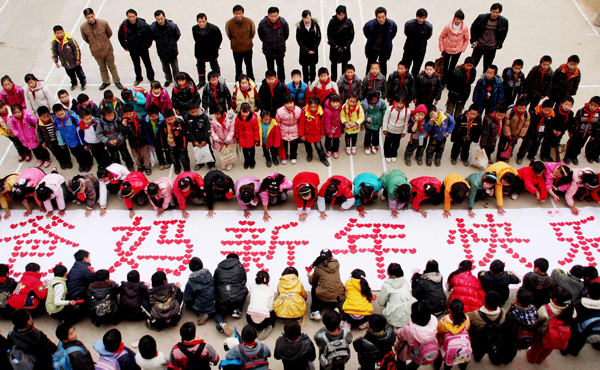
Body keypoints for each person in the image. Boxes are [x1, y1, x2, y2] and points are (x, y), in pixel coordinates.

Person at [526, 287, 575, 364]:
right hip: (557, 336)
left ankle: (532, 359)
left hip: (543, 334)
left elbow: (537, 319)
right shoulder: (572, 310)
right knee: (548, 348)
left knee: (537, 348)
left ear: (555, 299)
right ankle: (540, 360)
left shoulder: (545, 309)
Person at [80, 8, 122, 90]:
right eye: (88, 17)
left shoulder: (103, 23)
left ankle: (117, 81)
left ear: (94, 15)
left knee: (112, 66)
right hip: (96, 53)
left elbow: (109, 33)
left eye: (92, 16)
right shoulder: (83, 27)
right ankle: (106, 81)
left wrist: (104, 43)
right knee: (102, 67)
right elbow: (86, 39)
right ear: (85, 18)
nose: (91, 19)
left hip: (107, 50)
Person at [395, 302, 439, 370]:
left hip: (411, 350)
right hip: (421, 352)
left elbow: (401, 337)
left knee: (401, 358)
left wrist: (397, 332)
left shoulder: (410, 329)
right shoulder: (434, 321)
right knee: (417, 361)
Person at [499, 289, 538, 364]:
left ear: (519, 303)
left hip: (510, 337)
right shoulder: (533, 309)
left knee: (505, 348)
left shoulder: (513, 314)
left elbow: (506, 328)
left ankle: (501, 359)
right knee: (514, 350)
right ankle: (507, 361)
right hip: (521, 337)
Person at [466, 291, 506, 365]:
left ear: (485, 302)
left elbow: (464, 317)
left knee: (478, 352)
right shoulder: (503, 313)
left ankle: (477, 359)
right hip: (494, 339)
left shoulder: (476, 315)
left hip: (479, 340)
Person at [214, 254, 248, 336]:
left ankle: (221, 322)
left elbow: (215, 282)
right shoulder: (240, 267)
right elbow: (244, 281)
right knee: (244, 290)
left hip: (222, 299)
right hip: (236, 298)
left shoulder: (218, 269)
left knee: (218, 311)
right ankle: (236, 309)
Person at [118, 9, 154, 86]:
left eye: (133, 16)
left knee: (147, 63)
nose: (131, 18)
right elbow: (120, 36)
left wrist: (147, 45)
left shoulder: (143, 24)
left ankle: (151, 78)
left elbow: (150, 35)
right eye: (129, 17)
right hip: (132, 49)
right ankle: (138, 78)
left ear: (136, 16)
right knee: (136, 64)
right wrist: (125, 46)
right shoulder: (124, 25)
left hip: (142, 48)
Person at [52, 103, 93, 171]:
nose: (61, 116)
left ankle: (89, 163)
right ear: (55, 114)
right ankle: (81, 164)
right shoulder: (56, 121)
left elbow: (81, 128)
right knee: (76, 154)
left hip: (78, 140)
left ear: (64, 110)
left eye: (62, 113)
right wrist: (61, 142)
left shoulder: (72, 117)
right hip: (69, 142)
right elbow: (58, 132)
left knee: (84, 153)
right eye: (59, 115)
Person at [433, 299, 472, 370]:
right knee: (451, 362)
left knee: (440, 358)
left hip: (445, 346)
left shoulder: (443, 323)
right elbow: (467, 329)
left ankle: (437, 366)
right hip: (461, 346)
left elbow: (437, 333)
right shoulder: (467, 319)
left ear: (449, 310)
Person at [469, 3, 508, 69]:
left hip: (491, 48)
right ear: (490, 10)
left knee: (487, 67)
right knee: (472, 65)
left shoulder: (504, 21)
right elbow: (473, 28)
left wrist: (499, 43)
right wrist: (474, 40)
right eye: (494, 12)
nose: (495, 14)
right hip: (480, 45)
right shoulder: (481, 18)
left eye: (497, 12)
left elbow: (504, 34)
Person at [566, 282, 600, 356]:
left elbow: (573, 316)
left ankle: (565, 351)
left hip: (576, 327)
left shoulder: (580, 305)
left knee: (571, 339)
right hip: (587, 329)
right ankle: (575, 352)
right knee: (581, 341)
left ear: (587, 291)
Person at [378, 263, 416, 329]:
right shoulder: (405, 281)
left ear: (389, 272)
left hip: (395, 312)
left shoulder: (386, 285)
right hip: (409, 310)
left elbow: (381, 302)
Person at [565, 96, 600, 165]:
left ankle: (574, 156)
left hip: (587, 133)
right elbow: (574, 122)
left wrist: (593, 135)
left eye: (595, 106)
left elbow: (597, 126)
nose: (592, 107)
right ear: (589, 103)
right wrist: (571, 131)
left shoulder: (598, 114)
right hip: (577, 132)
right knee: (572, 144)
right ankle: (567, 156)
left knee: (580, 145)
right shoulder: (581, 111)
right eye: (591, 105)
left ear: (598, 107)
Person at [149, 10, 181, 87]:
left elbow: (177, 35)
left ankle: (177, 80)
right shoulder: (153, 28)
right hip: (161, 51)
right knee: (165, 68)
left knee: (175, 68)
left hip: (172, 50)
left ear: (164, 17)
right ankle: (168, 79)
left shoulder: (172, 26)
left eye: (161, 18)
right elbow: (153, 37)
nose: (160, 21)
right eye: (158, 19)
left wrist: (172, 44)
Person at [363, 7, 397, 76]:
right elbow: (366, 32)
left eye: (383, 17)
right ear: (376, 17)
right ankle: (368, 80)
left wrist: (387, 41)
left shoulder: (391, 24)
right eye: (379, 17)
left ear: (385, 16)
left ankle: (383, 81)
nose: (381, 19)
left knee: (383, 65)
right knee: (370, 64)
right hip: (373, 48)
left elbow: (393, 34)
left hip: (384, 49)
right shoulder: (370, 25)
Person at [258, 7, 290, 82]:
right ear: (268, 15)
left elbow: (286, 35)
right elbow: (261, 35)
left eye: (275, 16)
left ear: (278, 15)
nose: (273, 18)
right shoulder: (263, 24)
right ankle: (271, 82)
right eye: (271, 16)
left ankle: (281, 82)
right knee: (270, 68)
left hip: (280, 50)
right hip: (268, 50)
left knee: (281, 67)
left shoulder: (283, 23)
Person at [226, 5, 256, 82]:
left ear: (243, 13)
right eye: (236, 13)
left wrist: (247, 41)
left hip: (248, 48)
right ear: (233, 13)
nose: (238, 15)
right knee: (238, 67)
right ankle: (238, 84)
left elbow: (252, 33)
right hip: (236, 50)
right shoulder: (229, 23)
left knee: (249, 66)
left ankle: (251, 82)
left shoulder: (249, 21)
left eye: (240, 13)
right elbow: (229, 35)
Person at [192, 13, 222, 89]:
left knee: (215, 67)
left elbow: (219, 39)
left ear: (206, 21)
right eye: (199, 21)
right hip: (199, 52)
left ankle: (218, 81)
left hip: (212, 52)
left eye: (203, 21)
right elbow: (196, 39)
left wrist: (215, 48)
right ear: (197, 21)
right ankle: (201, 82)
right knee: (200, 68)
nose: (201, 23)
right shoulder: (194, 29)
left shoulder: (214, 29)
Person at [51, 25, 86, 91]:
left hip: (74, 61)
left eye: (61, 32)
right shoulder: (54, 42)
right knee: (70, 74)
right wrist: (56, 61)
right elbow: (54, 52)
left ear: (63, 31)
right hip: (65, 63)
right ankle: (74, 83)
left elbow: (76, 49)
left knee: (79, 73)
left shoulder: (69, 40)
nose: (60, 35)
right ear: (55, 34)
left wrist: (77, 59)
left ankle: (83, 83)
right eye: (57, 33)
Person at [122, 104, 152, 175]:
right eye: (127, 114)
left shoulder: (140, 119)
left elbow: (145, 130)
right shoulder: (124, 121)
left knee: (145, 155)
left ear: (134, 111)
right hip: (132, 142)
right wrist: (124, 126)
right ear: (124, 113)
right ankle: (140, 166)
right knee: (136, 156)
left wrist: (148, 140)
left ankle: (147, 167)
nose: (129, 115)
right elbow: (124, 133)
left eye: (130, 113)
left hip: (142, 141)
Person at [439, 10, 469, 83]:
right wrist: (442, 48)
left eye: (460, 19)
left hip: (457, 51)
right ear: (454, 18)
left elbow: (466, 39)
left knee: (452, 67)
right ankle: (443, 80)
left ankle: (449, 80)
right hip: (447, 49)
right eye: (457, 19)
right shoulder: (448, 27)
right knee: (445, 66)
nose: (458, 21)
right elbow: (441, 37)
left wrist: (463, 49)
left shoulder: (465, 28)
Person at [496, 98, 530, 162]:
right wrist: (508, 134)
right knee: (502, 145)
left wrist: (520, 135)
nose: (521, 110)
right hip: (506, 133)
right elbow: (506, 124)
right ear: (516, 106)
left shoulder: (526, 115)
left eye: (523, 108)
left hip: (515, 135)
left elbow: (525, 126)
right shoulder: (510, 112)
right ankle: (499, 157)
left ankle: (507, 157)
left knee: (511, 146)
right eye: (519, 108)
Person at [158, 109, 191, 174]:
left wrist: (184, 146)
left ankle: (186, 167)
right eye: (168, 120)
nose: (171, 121)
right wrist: (164, 146)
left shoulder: (180, 123)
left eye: (172, 119)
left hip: (180, 144)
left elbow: (184, 136)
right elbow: (162, 136)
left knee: (183, 157)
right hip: (170, 144)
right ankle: (177, 167)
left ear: (174, 116)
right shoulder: (163, 125)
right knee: (173, 157)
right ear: (165, 119)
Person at [183, 257, 215, 325]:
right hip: (213, 303)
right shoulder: (208, 274)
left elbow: (187, 298)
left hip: (201, 307)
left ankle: (201, 314)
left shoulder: (191, 281)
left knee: (187, 304)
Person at [541, 97, 574, 162]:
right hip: (551, 130)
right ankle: (543, 155)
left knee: (554, 143)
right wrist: (553, 130)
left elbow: (568, 124)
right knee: (546, 142)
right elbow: (550, 121)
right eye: (566, 104)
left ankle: (550, 155)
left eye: (569, 105)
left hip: (560, 132)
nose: (567, 107)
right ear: (561, 104)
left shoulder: (570, 114)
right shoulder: (555, 111)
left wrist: (561, 131)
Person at [247, 271, 277, 340]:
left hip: (250, 319)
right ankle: (270, 325)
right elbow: (270, 309)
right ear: (268, 281)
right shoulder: (271, 292)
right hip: (264, 322)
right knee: (274, 313)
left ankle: (252, 327)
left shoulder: (252, 286)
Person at [403, 8, 433, 77]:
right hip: (409, 50)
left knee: (416, 69)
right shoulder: (409, 24)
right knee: (405, 67)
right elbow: (406, 33)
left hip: (420, 51)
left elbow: (428, 36)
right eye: (420, 17)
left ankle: (413, 83)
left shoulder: (428, 27)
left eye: (424, 18)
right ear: (416, 16)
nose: (421, 20)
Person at [327, 6, 355, 82]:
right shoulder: (332, 21)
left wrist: (346, 46)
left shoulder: (348, 22)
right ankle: (333, 81)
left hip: (345, 47)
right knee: (334, 65)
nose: (340, 17)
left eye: (342, 15)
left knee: (345, 65)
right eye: (339, 15)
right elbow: (329, 34)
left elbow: (351, 35)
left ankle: (343, 81)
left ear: (345, 14)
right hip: (334, 47)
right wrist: (335, 45)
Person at [299, 97, 329, 166]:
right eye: (311, 107)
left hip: (317, 134)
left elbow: (322, 123)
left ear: (318, 106)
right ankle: (309, 154)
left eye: (314, 107)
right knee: (308, 146)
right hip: (307, 134)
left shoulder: (321, 113)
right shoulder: (304, 113)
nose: (313, 109)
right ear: (308, 105)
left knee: (319, 147)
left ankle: (322, 158)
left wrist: (322, 133)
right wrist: (302, 135)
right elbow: (301, 124)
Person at [186, 101, 215, 170]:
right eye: (192, 112)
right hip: (195, 139)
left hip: (204, 139)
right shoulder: (187, 118)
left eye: (196, 111)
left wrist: (205, 140)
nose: (194, 113)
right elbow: (188, 131)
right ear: (188, 111)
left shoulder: (204, 117)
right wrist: (193, 141)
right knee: (197, 152)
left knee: (208, 151)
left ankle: (211, 164)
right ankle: (200, 163)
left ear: (199, 107)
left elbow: (207, 129)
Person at [382, 94, 410, 162]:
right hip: (390, 130)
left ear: (404, 103)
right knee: (388, 143)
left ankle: (394, 154)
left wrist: (404, 132)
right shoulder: (390, 109)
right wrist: (385, 129)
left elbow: (406, 122)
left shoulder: (407, 111)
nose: (400, 105)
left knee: (396, 144)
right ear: (395, 102)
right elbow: (385, 119)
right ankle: (387, 154)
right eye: (398, 103)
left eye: (402, 103)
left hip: (399, 131)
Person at [296, 10, 321, 84]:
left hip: (313, 50)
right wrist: (306, 50)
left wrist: (314, 48)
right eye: (305, 18)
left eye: (308, 18)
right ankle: (306, 82)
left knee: (313, 67)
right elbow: (299, 39)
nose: (306, 20)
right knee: (305, 68)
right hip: (304, 51)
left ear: (310, 16)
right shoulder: (300, 27)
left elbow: (318, 38)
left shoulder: (316, 25)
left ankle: (313, 82)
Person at [276, 95, 302, 164]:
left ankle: (293, 156)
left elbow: (300, 121)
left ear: (293, 102)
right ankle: (284, 157)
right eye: (287, 103)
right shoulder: (279, 111)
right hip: (283, 130)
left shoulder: (298, 110)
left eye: (291, 103)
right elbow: (278, 122)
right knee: (284, 146)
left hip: (294, 129)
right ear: (284, 104)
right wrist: (278, 132)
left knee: (294, 146)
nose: (289, 105)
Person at [235, 103, 259, 169]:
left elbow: (256, 129)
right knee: (245, 151)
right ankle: (246, 161)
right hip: (242, 138)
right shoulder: (238, 118)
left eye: (247, 112)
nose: (245, 114)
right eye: (243, 112)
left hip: (251, 138)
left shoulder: (253, 118)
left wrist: (257, 140)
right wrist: (236, 138)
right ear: (240, 110)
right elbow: (236, 128)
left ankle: (252, 161)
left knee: (252, 151)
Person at [145, 105, 170, 170]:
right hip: (154, 140)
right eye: (149, 116)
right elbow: (146, 132)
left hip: (163, 139)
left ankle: (168, 161)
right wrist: (150, 142)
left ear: (157, 114)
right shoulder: (146, 121)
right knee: (158, 152)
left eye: (153, 116)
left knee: (166, 150)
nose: (151, 118)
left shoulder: (163, 120)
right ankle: (161, 162)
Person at [362, 89, 387, 155]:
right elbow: (363, 114)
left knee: (376, 134)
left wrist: (384, 122)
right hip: (368, 122)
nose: (373, 101)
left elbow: (384, 111)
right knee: (368, 134)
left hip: (378, 122)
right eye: (371, 100)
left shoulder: (381, 102)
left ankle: (375, 145)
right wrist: (362, 124)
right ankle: (367, 146)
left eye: (374, 99)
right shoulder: (364, 104)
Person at [210, 105, 236, 170]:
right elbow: (212, 132)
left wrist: (227, 140)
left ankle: (229, 162)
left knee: (229, 152)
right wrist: (217, 140)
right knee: (222, 152)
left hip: (228, 140)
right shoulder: (212, 121)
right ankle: (224, 162)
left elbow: (231, 131)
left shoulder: (229, 120)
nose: (216, 115)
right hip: (220, 141)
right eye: (215, 114)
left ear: (223, 113)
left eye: (218, 114)